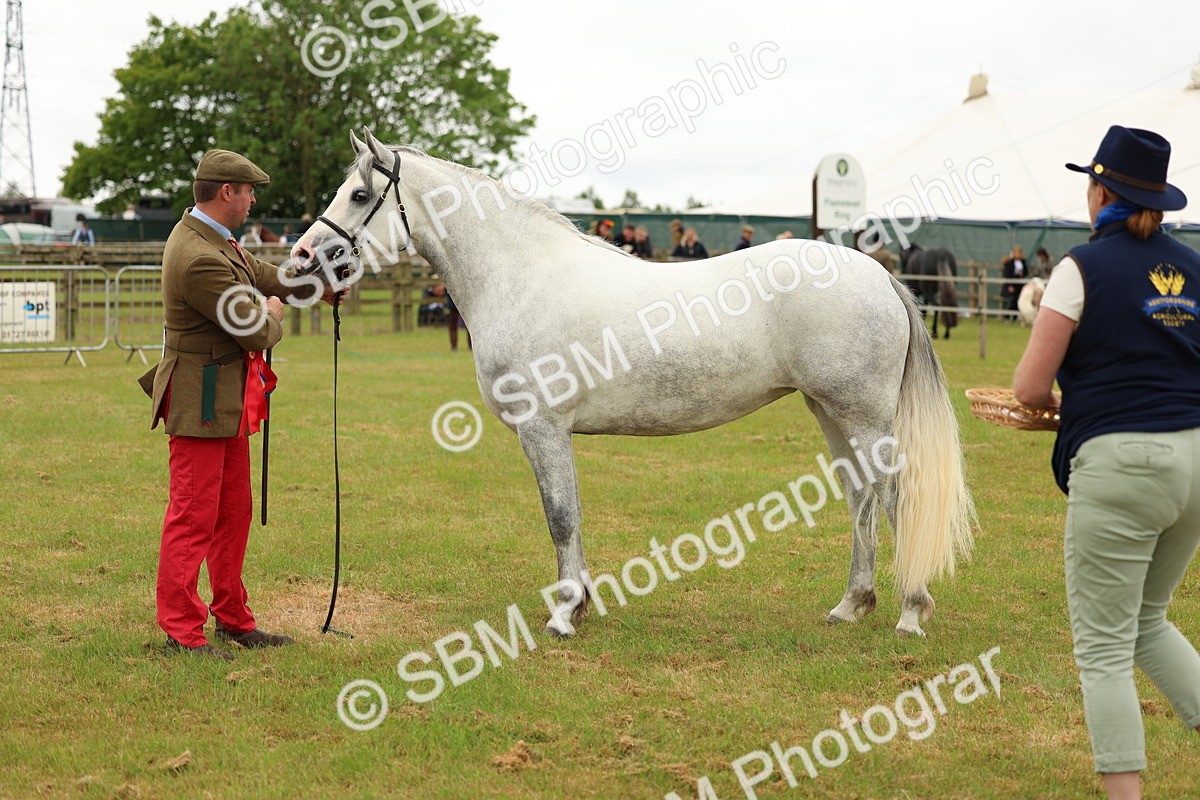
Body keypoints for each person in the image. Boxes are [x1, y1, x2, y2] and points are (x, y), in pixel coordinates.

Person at [1013, 125, 1200, 800]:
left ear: (1100, 193)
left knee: (1102, 649)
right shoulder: (1196, 267)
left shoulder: (1079, 267)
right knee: (1147, 621)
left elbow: (1031, 389)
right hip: (1197, 457)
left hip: (1126, 461)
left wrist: (1085, 405)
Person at [138, 149, 333, 661]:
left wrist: (316, 285)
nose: (252, 201)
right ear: (227, 192)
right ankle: (182, 630)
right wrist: (274, 313)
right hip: (200, 400)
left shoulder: (214, 238)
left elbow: (265, 274)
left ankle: (233, 618)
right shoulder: (198, 256)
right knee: (193, 516)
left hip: (224, 399)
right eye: (249, 192)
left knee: (232, 514)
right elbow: (256, 327)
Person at [1002, 245, 1029, 315]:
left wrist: (1022, 273)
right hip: (1012, 284)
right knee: (1013, 300)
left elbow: (1026, 272)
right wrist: (1011, 284)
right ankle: (1007, 315)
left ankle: (1016, 315)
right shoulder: (1009, 263)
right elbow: (1007, 275)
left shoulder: (1023, 262)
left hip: (1019, 284)